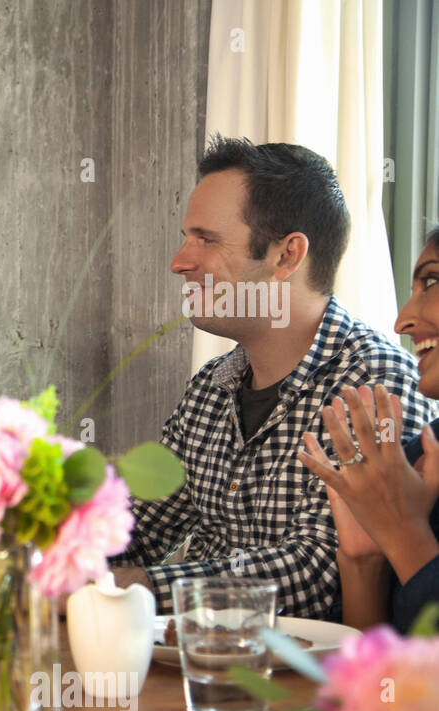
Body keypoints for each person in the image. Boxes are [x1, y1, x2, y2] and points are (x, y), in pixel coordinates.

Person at [111, 137, 435, 619]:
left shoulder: (374, 380)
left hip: (302, 686)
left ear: (287, 256)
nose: (180, 261)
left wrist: (141, 587)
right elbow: (138, 528)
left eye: (206, 239)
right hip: (196, 669)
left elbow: (318, 569)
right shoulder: (209, 389)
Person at [299, 227, 439, 632]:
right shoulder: (414, 461)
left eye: (431, 282)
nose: (402, 322)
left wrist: (404, 534)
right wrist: (363, 560)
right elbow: (379, 682)